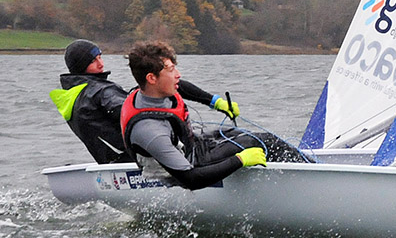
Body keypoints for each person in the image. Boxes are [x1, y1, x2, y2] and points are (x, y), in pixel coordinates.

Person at [120, 41, 308, 190]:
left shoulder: (151, 89)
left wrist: (217, 103)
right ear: (151, 78)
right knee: (258, 141)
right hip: (190, 167)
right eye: (171, 70)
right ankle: (309, 176)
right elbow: (190, 180)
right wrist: (240, 161)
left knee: (237, 132)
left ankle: (305, 166)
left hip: (193, 145)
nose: (178, 75)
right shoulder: (150, 131)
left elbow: (182, 86)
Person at [49, 39, 241, 164]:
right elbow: (136, 114)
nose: (101, 64)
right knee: (236, 136)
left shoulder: (73, 97)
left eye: (100, 57)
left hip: (118, 163)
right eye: (93, 61)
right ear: (80, 66)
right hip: (148, 160)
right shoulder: (101, 92)